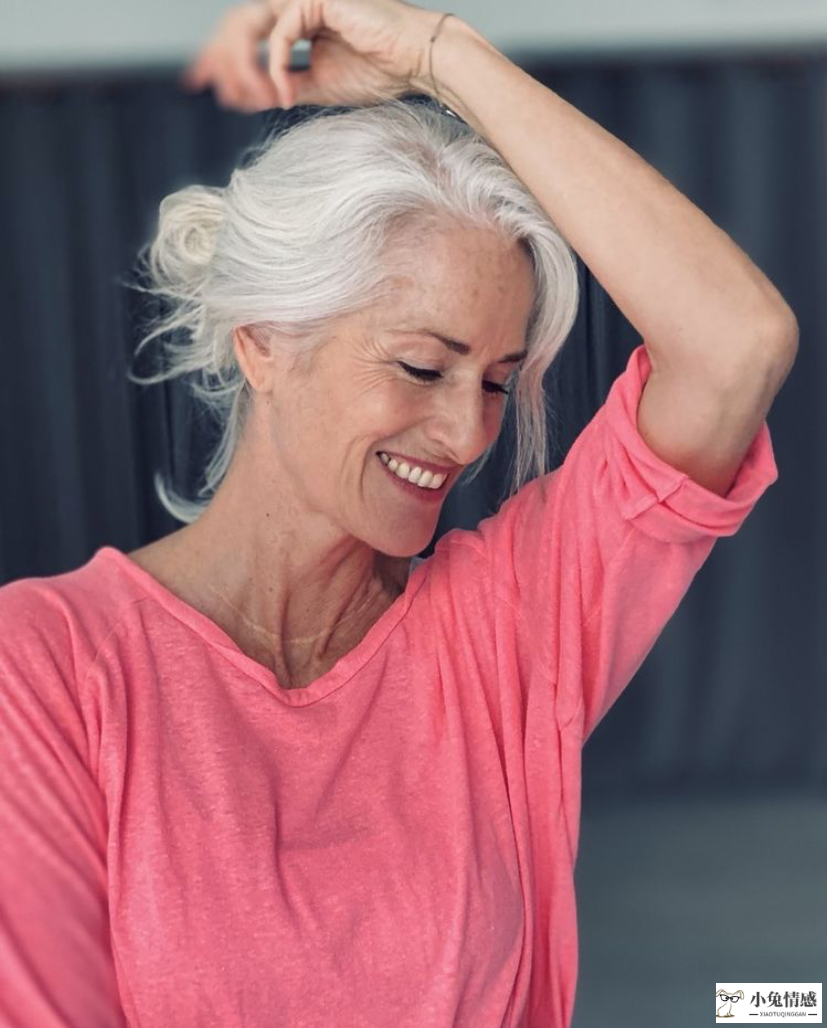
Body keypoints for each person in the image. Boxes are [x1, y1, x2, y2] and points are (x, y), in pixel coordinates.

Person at [0, 1, 798, 1025]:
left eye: (498, 381)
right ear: (265, 341)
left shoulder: (506, 626)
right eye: (421, 365)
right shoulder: (48, 666)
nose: (466, 433)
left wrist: (443, 56)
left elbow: (735, 341)